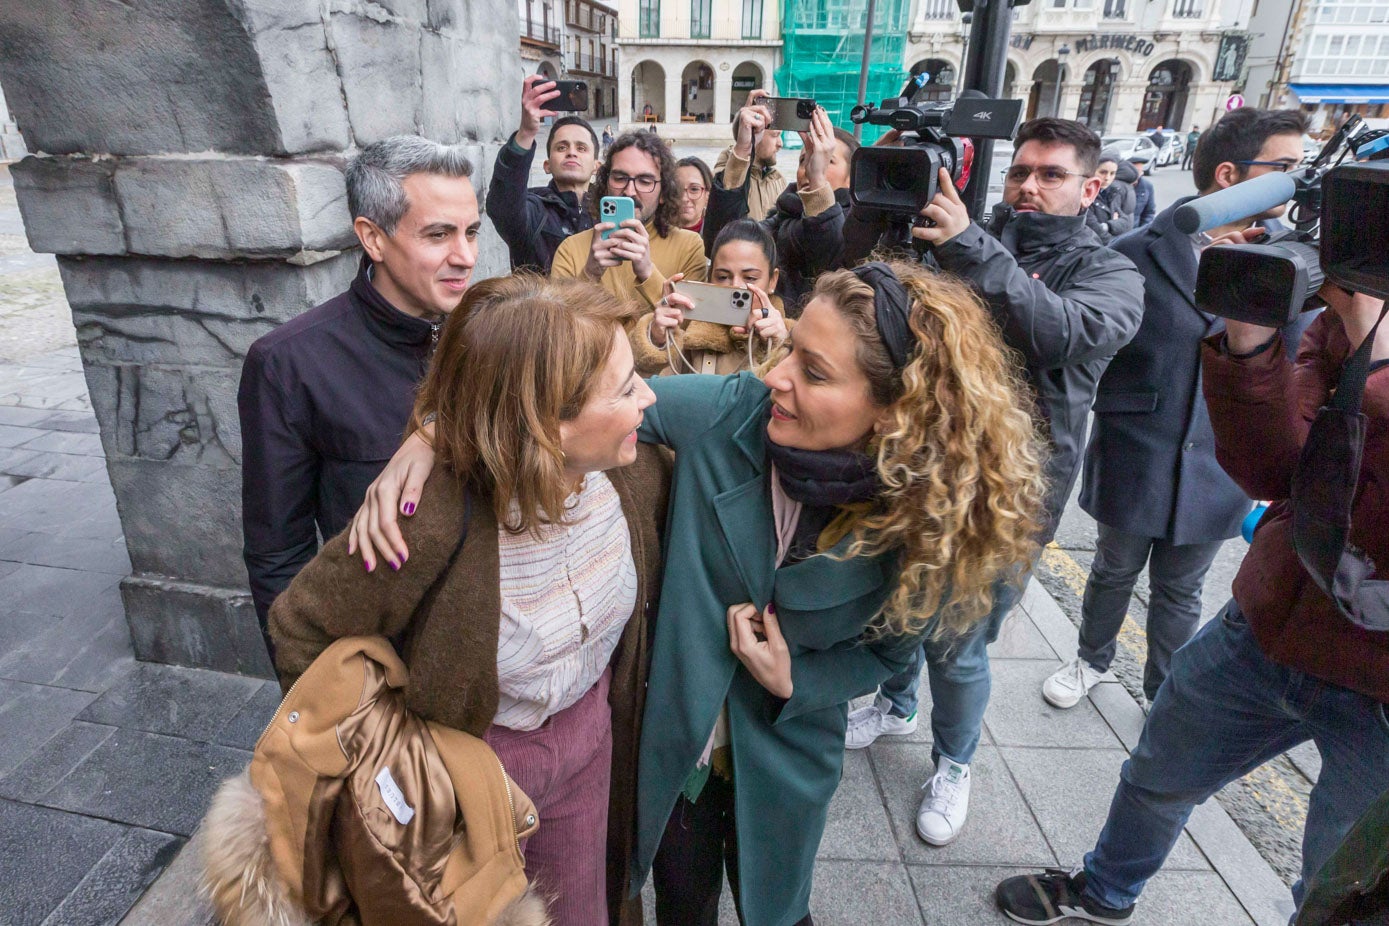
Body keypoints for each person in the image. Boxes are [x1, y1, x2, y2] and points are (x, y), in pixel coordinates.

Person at [347, 260, 1048, 926]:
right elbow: (556, 404)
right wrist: (434, 434)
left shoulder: (922, 517)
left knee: (779, 906)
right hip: (678, 748)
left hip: (785, 754)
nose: (775, 376)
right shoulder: (730, 414)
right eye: (790, 348)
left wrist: (795, 677)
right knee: (683, 903)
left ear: (895, 412)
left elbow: (892, 655)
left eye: (813, 371)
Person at [269, 274, 669, 926]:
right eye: (626, 389)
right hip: (469, 776)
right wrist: (388, 768)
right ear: (548, 424)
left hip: (589, 747)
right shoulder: (426, 512)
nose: (651, 396)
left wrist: (428, 427)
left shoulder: (634, 472)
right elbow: (300, 627)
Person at [995, 280, 1389, 924]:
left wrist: (1376, 360)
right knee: (1158, 774)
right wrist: (1249, 341)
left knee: (1340, 890)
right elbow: (1274, 468)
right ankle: (1105, 890)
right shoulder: (1352, 318)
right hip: (1267, 626)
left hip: (1380, 692)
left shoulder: (1372, 327)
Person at [842, 117, 1144, 848]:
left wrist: (968, 243)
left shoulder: (1112, 272)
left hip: (1014, 497)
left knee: (960, 639)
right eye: (1020, 173)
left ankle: (954, 762)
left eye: (1050, 175)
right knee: (905, 603)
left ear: (1091, 185)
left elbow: (1058, 334)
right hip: (930, 468)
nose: (1029, 187)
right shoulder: (969, 236)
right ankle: (895, 702)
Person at [1046, 107, 1312, 711]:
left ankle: (1161, 694)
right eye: (1286, 168)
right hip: (1137, 447)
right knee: (1112, 569)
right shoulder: (1137, 249)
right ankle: (1090, 660)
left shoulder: (1292, 263)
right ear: (1228, 173)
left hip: (1222, 464)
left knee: (1180, 589)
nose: (1298, 183)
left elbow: (1298, 368)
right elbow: (1099, 349)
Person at [237, 135, 480, 650]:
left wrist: (436, 430)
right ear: (373, 238)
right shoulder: (288, 363)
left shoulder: (486, 333)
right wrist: (323, 685)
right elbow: (278, 554)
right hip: (389, 654)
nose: (465, 257)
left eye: (471, 233)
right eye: (439, 235)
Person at [703, 101, 857, 312]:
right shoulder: (781, 222)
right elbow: (723, 239)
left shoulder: (862, 232)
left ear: (853, 178)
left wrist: (818, 181)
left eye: (826, 160)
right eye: (804, 159)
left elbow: (828, 251)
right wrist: (742, 151)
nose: (810, 167)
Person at [550, 130, 707, 309]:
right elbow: (557, 328)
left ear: (663, 192)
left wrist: (648, 273)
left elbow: (690, 326)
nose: (630, 191)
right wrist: (589, 274)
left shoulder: (690, 246)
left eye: (645, 181)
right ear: (605, 184)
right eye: (620, 178)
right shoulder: (570, 249)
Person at [631, 219, 789, 377]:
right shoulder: (688, 335)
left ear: (772, 280)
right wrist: (657, 339)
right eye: (722, 276)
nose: (735, 286)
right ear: (710, 277)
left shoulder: (792, 336)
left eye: (750, 278)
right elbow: (649, 388)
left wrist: (784, 347)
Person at [486, 75, 598, 273]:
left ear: (596, 166)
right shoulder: (532, 210)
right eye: (562, 147)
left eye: (581, 148)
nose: (571, 152)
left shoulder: (609, 210)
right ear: (547, 165)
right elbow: (502, 207)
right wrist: (526, 133)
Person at [713, 89, 786, 225]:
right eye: (775, 135)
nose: (780, 144)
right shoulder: (723, 175)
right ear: (755, 131)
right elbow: (724, 198)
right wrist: (744, 146)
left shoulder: (778, 180)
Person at [1084, 149, 1136, 244]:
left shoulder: (1113, 192)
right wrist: (1115, 225)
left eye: (1112, 173)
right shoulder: (1084, 195)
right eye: (1103, 172)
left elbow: (1126, 223)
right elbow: (1094, 229)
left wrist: (1107, 226)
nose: (1107, 178)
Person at [675, 156, 713, 234]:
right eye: (677, 189)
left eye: (694, 189)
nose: (684, 198)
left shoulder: (719, 234)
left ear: (708, 195)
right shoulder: (651, 232)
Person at [1127, 153, 1157, 228]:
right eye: (1134, 171)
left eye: (1139, 171)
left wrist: (1141, 231)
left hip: (1135, 231)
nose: (1136, 175)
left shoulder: (1147, 186)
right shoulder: (1119, 186)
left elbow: (1149, 212)